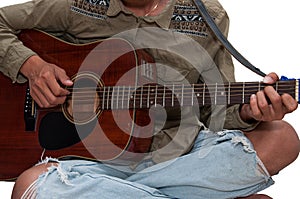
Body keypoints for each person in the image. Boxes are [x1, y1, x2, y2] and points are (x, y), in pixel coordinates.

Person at [0, 0, 299, 198]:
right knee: (29, 188)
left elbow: (218, 110)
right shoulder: (81, 3)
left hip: (182, 159)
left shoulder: (207, 15)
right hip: (96, 165)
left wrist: (249, 113)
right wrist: (32, 66)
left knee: (282, 138)